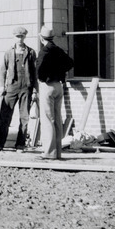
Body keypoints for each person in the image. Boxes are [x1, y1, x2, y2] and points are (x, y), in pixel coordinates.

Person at [0, 26, 37, 152]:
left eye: (22, 36)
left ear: (25, 37)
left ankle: (20, 144)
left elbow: (35, 73)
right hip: (11, 87)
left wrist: (35, 90)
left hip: (26, 88)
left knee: (24, 117)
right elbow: (3, 71)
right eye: (17, 36)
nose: (20, 39)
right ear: (14, 37)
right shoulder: (8, 52)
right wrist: (2, 86)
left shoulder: (31, 52)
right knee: (5, 115)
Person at [35, 26, 74, 160]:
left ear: (41, 38)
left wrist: (44, 77)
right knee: (57, 119)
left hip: (48, 86)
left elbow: (39, 71)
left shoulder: (44, 51)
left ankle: (49, 152)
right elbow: (70, 63)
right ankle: (57, 152)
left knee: (47, 119)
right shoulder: (58, 50)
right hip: (59, 86)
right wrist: (60, 72)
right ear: (52, 38)